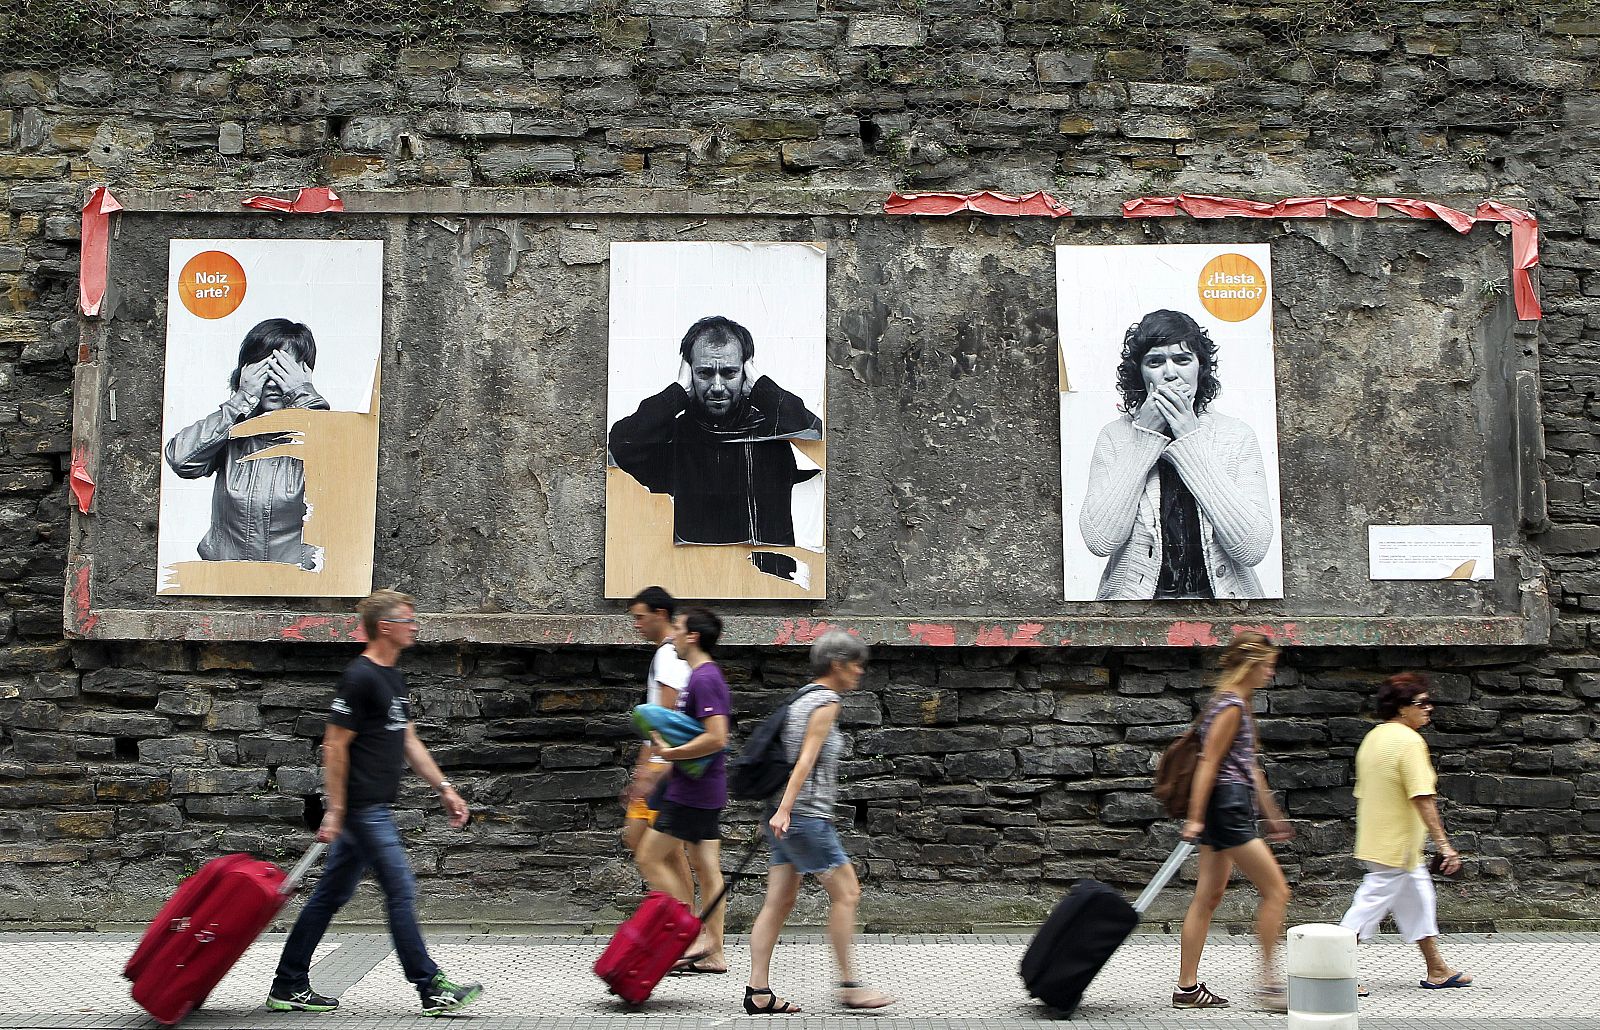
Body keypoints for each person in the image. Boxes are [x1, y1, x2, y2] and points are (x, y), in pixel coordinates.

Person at [268, 590, 483, 1016]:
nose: (415, 625)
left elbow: (408, 740)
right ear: (385, 627)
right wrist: (336, 808)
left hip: (370, 810)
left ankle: (288, 984)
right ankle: (430, 987)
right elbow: (334, 744)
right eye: (408, 618)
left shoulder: (392, 677)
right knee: (401, 890)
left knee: (329, 896)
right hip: (363, 810)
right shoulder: (360, 677)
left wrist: (445, 788)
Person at [743, 630, 894, 1015]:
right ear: (838, 664)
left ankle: (758, 992)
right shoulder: (826, 701)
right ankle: (850, 988)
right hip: (804, 816)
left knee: (778, 901)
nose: (860, 671)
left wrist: (778, 811)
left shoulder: (801, 698)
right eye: (856, 664)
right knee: (847, 894)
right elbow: (805, 760)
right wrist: (787, 810)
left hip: (786, 815)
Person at [1079, 309, 1275, 600]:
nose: (1170, 373)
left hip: (1226, 611)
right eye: (1155, 362)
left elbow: (1252, 547)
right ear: (1140, 373)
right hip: (1134, 616)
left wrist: (1189, 439)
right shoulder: (1115, 435)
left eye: (1182, 360)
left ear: (1200, 368)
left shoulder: (1236, 436)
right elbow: (1100, 541)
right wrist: (1144, 438)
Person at [608, 315, 822, 548]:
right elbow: (620, 447)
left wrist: (762, 388)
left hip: (767, 578)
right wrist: (678, 393)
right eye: (705, 373)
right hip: (689, 575)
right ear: (689, 372)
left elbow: (818, 436)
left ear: (745, 371)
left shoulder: (772, 434)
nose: (717, 387)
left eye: (730, 373)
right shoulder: (674, 438)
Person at [1174, 631, 1293, 1011]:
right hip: (1226, 808)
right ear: (1251, 664)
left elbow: (1249, 767)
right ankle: (1270, 983)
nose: (1271, 673)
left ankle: (1187, 989)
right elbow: (1209, 762)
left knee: (1208, 896)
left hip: (1229, 805)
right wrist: (1194, 818)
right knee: (1277, 891)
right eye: (1268, 665)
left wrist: (1272, 815)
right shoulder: (1230, 707)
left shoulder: (1234, 702)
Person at [1338, 673, 1472, 992]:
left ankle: (1436, 968)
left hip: (1381, 840)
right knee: (1367, 908)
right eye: (1421, 703)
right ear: (1401, 709)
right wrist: (1444, 845)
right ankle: (1333, 972)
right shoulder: (1409, 742)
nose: (1429, 708)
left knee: (1420, 900)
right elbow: (1422, 797)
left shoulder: (1375, 737)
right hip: (1395, 846)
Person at [165, 317, 329, 569]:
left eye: (283, 370)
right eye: (265, 369)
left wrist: (302, 395)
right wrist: (241, 399)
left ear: (303, 375)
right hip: (226, 586)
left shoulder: (327, 437)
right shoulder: (232, 434)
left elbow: (340, 475)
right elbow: (181, 459)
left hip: (296, 589)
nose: (273, 382)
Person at [633, 606, 733, 975]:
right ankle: (714, 952)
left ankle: (689, 934)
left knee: (649, 857)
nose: (671, 633)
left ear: (693, 636)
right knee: (707, 868)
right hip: (698, 786)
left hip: (693, 791)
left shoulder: (705, 678)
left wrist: (670, 754)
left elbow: (717, 737)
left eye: (677, 628)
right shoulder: (701, 675)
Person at [619, 586, 694, 889]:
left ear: (660, 614)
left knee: (648, 845)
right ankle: (685, 919)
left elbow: (667, 712)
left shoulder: (668, 655)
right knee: (663, 848)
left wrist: (651, 769)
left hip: (664, 766)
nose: (637, 625)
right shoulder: (669, 654)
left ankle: (681, 919)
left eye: (640, 617)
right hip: (662, 764)